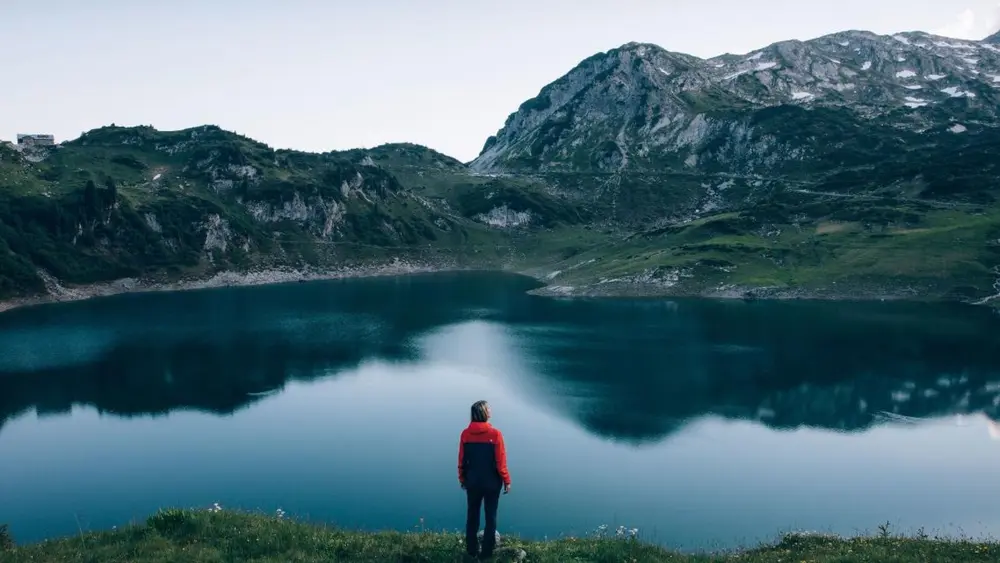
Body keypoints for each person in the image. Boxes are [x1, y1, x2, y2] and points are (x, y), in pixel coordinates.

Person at [458, 400, 511, 559]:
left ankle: (471, 549)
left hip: (472, 482)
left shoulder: (465, 434)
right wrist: (507, 480)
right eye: (488, 408)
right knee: (491, 515)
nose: (491, 410)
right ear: (483, 413)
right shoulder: (495, 434)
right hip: (492, 483)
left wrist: (462, 478)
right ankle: (487, 552)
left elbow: (462, 460)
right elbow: (500, 462)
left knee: (472, 515)